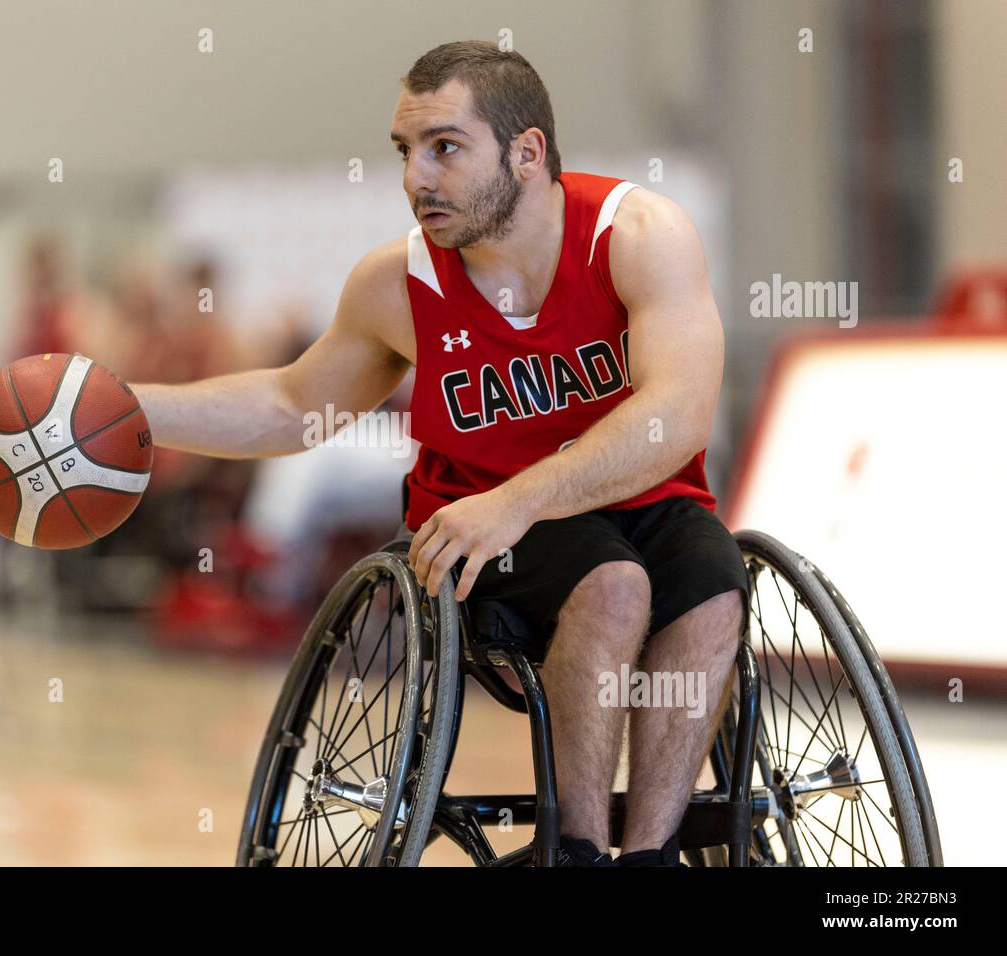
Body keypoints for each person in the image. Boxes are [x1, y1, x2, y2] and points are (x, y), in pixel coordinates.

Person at [129, 40, 748, 867]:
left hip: (618, 497)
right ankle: (577, 850)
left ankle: (653, 852)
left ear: (527, 153)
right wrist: (129, 411)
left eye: (444, 148)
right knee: (612, 586)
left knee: (713, 584)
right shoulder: (396, 285)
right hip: (473, 523)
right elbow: (290, 405)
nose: (417, 177)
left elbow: (675, 416)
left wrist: (524, 498)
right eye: (405, 151)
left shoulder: (638, 235)